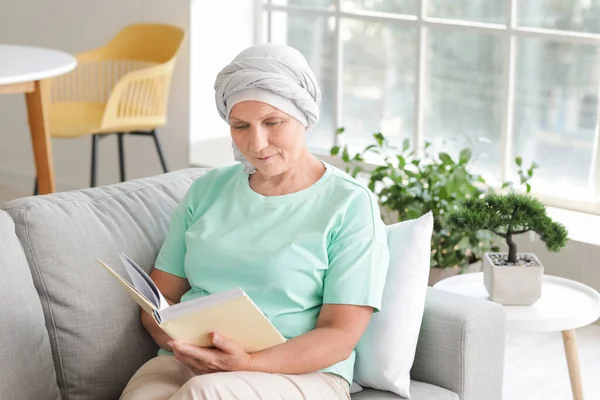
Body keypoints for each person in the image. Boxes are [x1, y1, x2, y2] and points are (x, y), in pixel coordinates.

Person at [120, 43, 390, 400]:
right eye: (241, 126)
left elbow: (339, 335)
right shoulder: (206, 191)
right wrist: (188, 348)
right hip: (191, 359)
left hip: (302, 373)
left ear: (304, 117)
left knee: (206, 391)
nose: (257, 142)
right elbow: (159, 300)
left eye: (272, 122)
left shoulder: (350, 204)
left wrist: (244, 363)